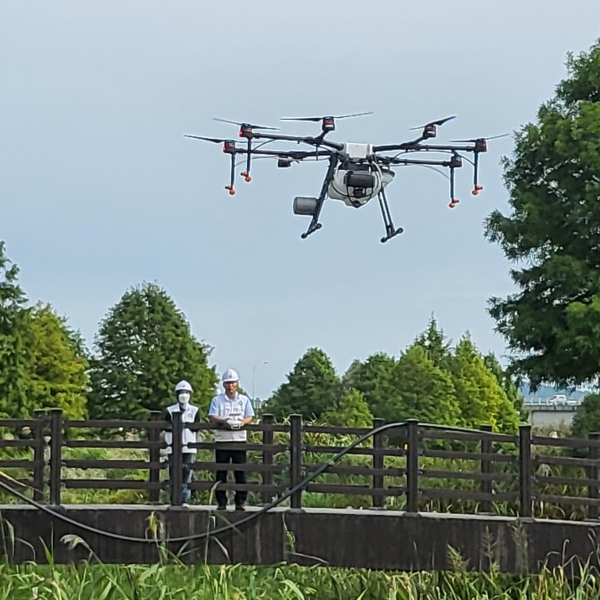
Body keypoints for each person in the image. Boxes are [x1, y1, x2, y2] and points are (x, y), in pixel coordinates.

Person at [208, 368, 255, 510]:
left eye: (233, 382)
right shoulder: (217, 400)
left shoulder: (244, 400)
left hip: (239, 439)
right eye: (228, 383)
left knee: (240, 471)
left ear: (237, 384)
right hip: (222, 440)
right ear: (224, 385)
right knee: (221, 471)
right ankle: (221, 501)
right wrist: (224, 420)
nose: (230, 385)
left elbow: (250, 416)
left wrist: (242, 423)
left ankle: (240, 501)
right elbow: (212, 415)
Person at [162, 380, 200, 505]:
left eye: (186, 392)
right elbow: (166, 427)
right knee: (173, 473)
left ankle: (184, 499)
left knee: (187, 474)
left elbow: (197, 427)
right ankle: (174, 499)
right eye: (181, 392)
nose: (184, 395)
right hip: (173, 447)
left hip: (189, 447)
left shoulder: (195, 410)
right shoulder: (169, 410)